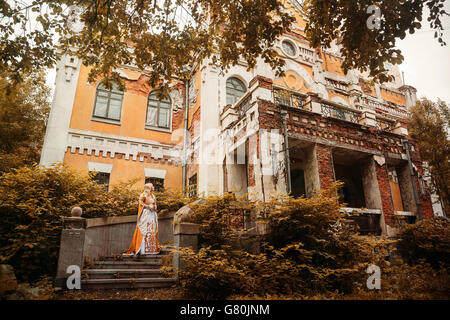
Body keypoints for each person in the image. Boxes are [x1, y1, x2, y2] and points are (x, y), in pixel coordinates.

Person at [124, 183, 160, 255]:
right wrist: (148, 206)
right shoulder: (143, 195)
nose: (153, 187)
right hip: (146, 214)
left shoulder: (153, 196)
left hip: (152, 214)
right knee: (145, 229)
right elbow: (140, 203)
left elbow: (155, 204)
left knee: (152, 229)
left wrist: (154, 207)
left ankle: (151, 249)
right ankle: (143, 249)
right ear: (149, 187)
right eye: (152, 186)